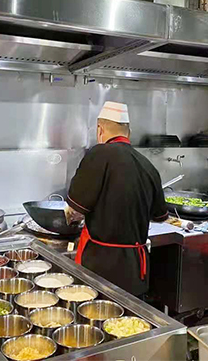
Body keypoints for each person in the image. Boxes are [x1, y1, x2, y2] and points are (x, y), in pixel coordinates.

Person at [65, 101, 168, 296]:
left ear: (100, 130)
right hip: (135, 270)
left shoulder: (99, 154)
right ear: (129, 133)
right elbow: (159, 216)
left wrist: (70, 219)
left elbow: (75, 210)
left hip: (100, 268)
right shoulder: (148, 166)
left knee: (96, 312)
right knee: (129, 314)